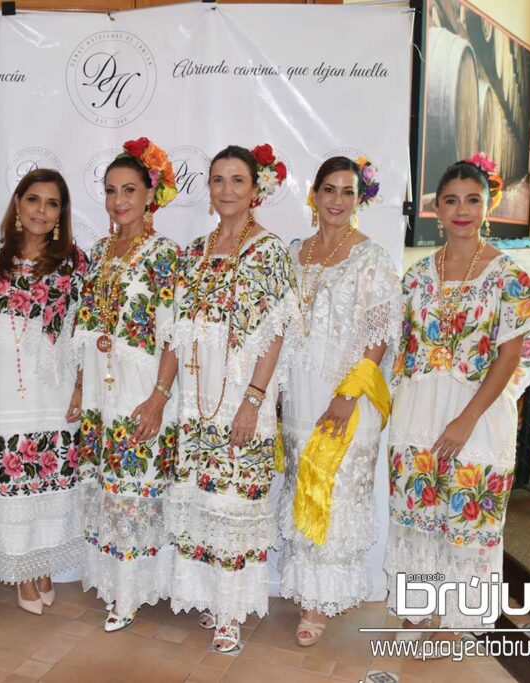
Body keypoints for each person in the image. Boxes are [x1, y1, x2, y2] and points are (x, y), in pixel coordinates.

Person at [386, 154, 530, 640]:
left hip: (477, 416)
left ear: (488, 207)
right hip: (418, 411)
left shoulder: (507, 274)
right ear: (437, 209)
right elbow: (399, 345)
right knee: (419, 511)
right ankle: (417, 609)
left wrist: (466, 419)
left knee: (467, 515)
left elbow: (511, 353)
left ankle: (457, 623)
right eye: (452, 201)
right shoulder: (416, 275)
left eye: (473, 200)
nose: (462, 210)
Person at [169, 144, 295, 652]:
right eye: (218, 179)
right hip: (196, 396)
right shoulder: (196, 250)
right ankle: (208, 597)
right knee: (202, 499)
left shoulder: (268, 250)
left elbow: (277, 330)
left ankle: (231, 613)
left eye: (237, 180)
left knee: (234, 503)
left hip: (242, 397)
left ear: (255, 189)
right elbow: (180, 328)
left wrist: (254, 399)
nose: (226, 190)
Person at [277, 155, 401, 646]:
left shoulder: (371, 258)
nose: (336, 200)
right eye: (328, 190)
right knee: (300, 485)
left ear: (359, 200)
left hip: (346, 394)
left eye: (347, 192)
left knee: (336, 491)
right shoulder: (295, 255)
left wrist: (347, 397)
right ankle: (308, 588)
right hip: (300, 388)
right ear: (314, 194)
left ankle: (319, 605)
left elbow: (380, 332)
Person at [72, 137, 180, 632]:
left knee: (136, 488)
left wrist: (158, 398)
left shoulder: (164, 254)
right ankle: (114, 580)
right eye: (112, 190)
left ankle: (133, 590)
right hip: (99, 387)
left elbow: (175, 334)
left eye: (129, 190)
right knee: (110, 486)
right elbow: (86, 323)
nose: (119, 201)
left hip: (141, 384)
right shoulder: (97, 251)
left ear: (149, 195)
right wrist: (78, 388)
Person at [0, 169, 88, 614]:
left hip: (52, 383)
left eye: (53, 203)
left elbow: (84, 330)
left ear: (62, 212)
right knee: (13, 475)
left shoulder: (76, 262)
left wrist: (79, 388)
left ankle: (42, 564)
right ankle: (22, 569)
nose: (42, 210)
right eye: (34, 200)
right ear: (18, 204)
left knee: (47, 475)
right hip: (3, 382)